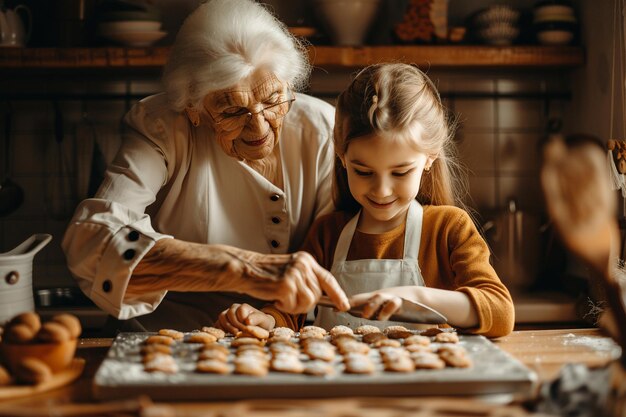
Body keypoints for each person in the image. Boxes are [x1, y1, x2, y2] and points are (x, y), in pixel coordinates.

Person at [61, 0, 349, 332]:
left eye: (272, 101)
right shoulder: (162, 127)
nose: (259, 128)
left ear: (288, 85)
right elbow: (93, 241)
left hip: (284, 339)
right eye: (231, 111)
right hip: (168, 340)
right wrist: (244, 269)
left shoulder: (324, 130)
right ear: (192, 107)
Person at [218, 63, 515, 338]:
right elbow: (290, 309)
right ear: (342, 157)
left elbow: (500, 312)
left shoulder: (449, 228)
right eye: (363, 171)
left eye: (400, 172)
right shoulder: (328, 233)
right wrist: (266, 319)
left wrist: (416, 298)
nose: (382, 190)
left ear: (430, 157)